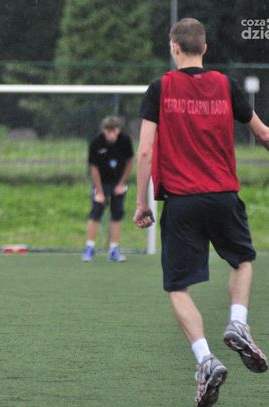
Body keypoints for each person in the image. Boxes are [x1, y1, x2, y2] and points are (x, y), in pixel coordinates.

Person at [134, 17, 269, 406]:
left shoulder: (160, 88)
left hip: (182, 200)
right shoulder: (226, 85)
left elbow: (145, 151)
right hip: (224, 195)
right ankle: (238, 322)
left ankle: (205, 359)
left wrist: (142, 203)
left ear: (173, 47)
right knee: (242, 261)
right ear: (205, 48)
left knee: (178, 287)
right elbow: (262, 133)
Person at [82, 115, 133, 262]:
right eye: (108, 131)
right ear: (103, 130)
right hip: (101, 182)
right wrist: (99, 191)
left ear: (118, 130)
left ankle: (114, 250)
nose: (111, 134)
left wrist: (121, 184)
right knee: (95, 212)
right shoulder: (96, 143)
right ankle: (89, 248)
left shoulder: (125, 141)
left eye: (114, 131)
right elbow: (94, 168)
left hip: (118, 182)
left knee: (117, 213)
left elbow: (130, 162)